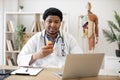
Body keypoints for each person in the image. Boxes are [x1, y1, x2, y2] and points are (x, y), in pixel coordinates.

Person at [17, 7, 83, 68]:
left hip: (61, 74)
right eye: (49, 21)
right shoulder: (36, 38)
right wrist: (37, 55)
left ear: (60, 23)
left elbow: (80, 58)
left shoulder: (69, 38)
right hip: (41, 74)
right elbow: (20, 60)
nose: (53, 25)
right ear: (44, 22)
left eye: (56, 22)